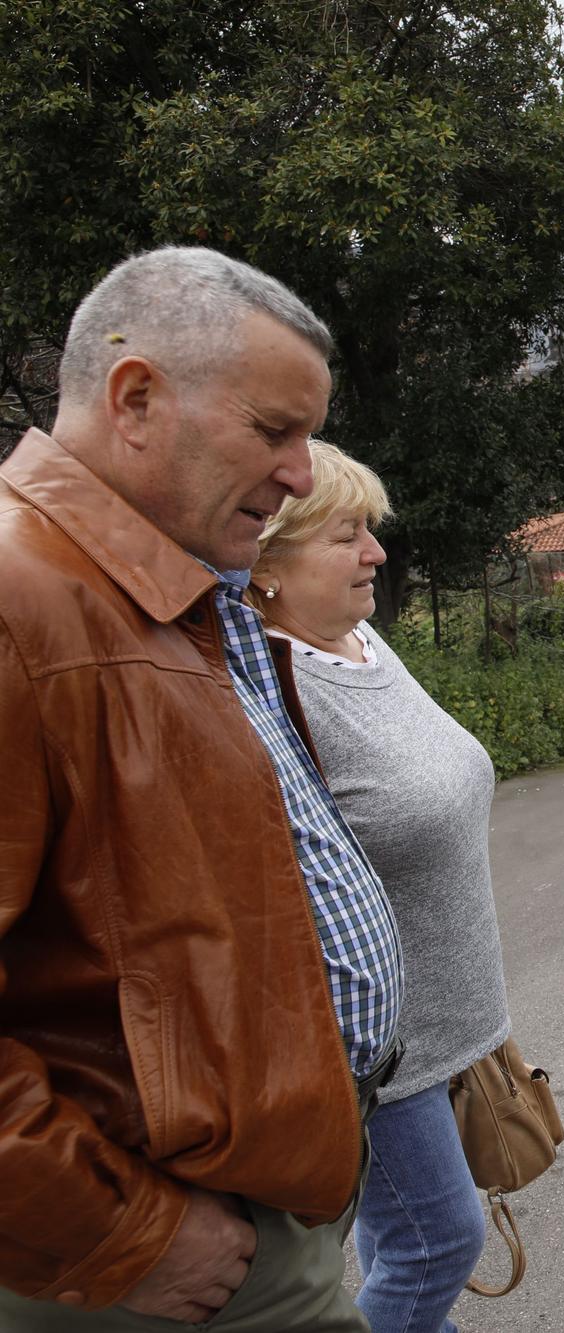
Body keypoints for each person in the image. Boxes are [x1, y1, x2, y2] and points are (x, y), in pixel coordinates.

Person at [0, 247, 401, 1330]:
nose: (304, 476)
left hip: (249, 1206)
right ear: (136, 399)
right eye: (274, 431)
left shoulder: (169, 587)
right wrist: (116, 1234)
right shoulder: (19, 600)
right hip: (154, 1248)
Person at [247, 440, 512, 1332]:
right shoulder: (271, 687)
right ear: (268, 564)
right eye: (347, 534)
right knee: (436, 1242)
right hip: (377, 1048)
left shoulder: (361, 643)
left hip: (449, 1021)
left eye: (371, 530)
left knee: (415, 1245)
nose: (377, 553)